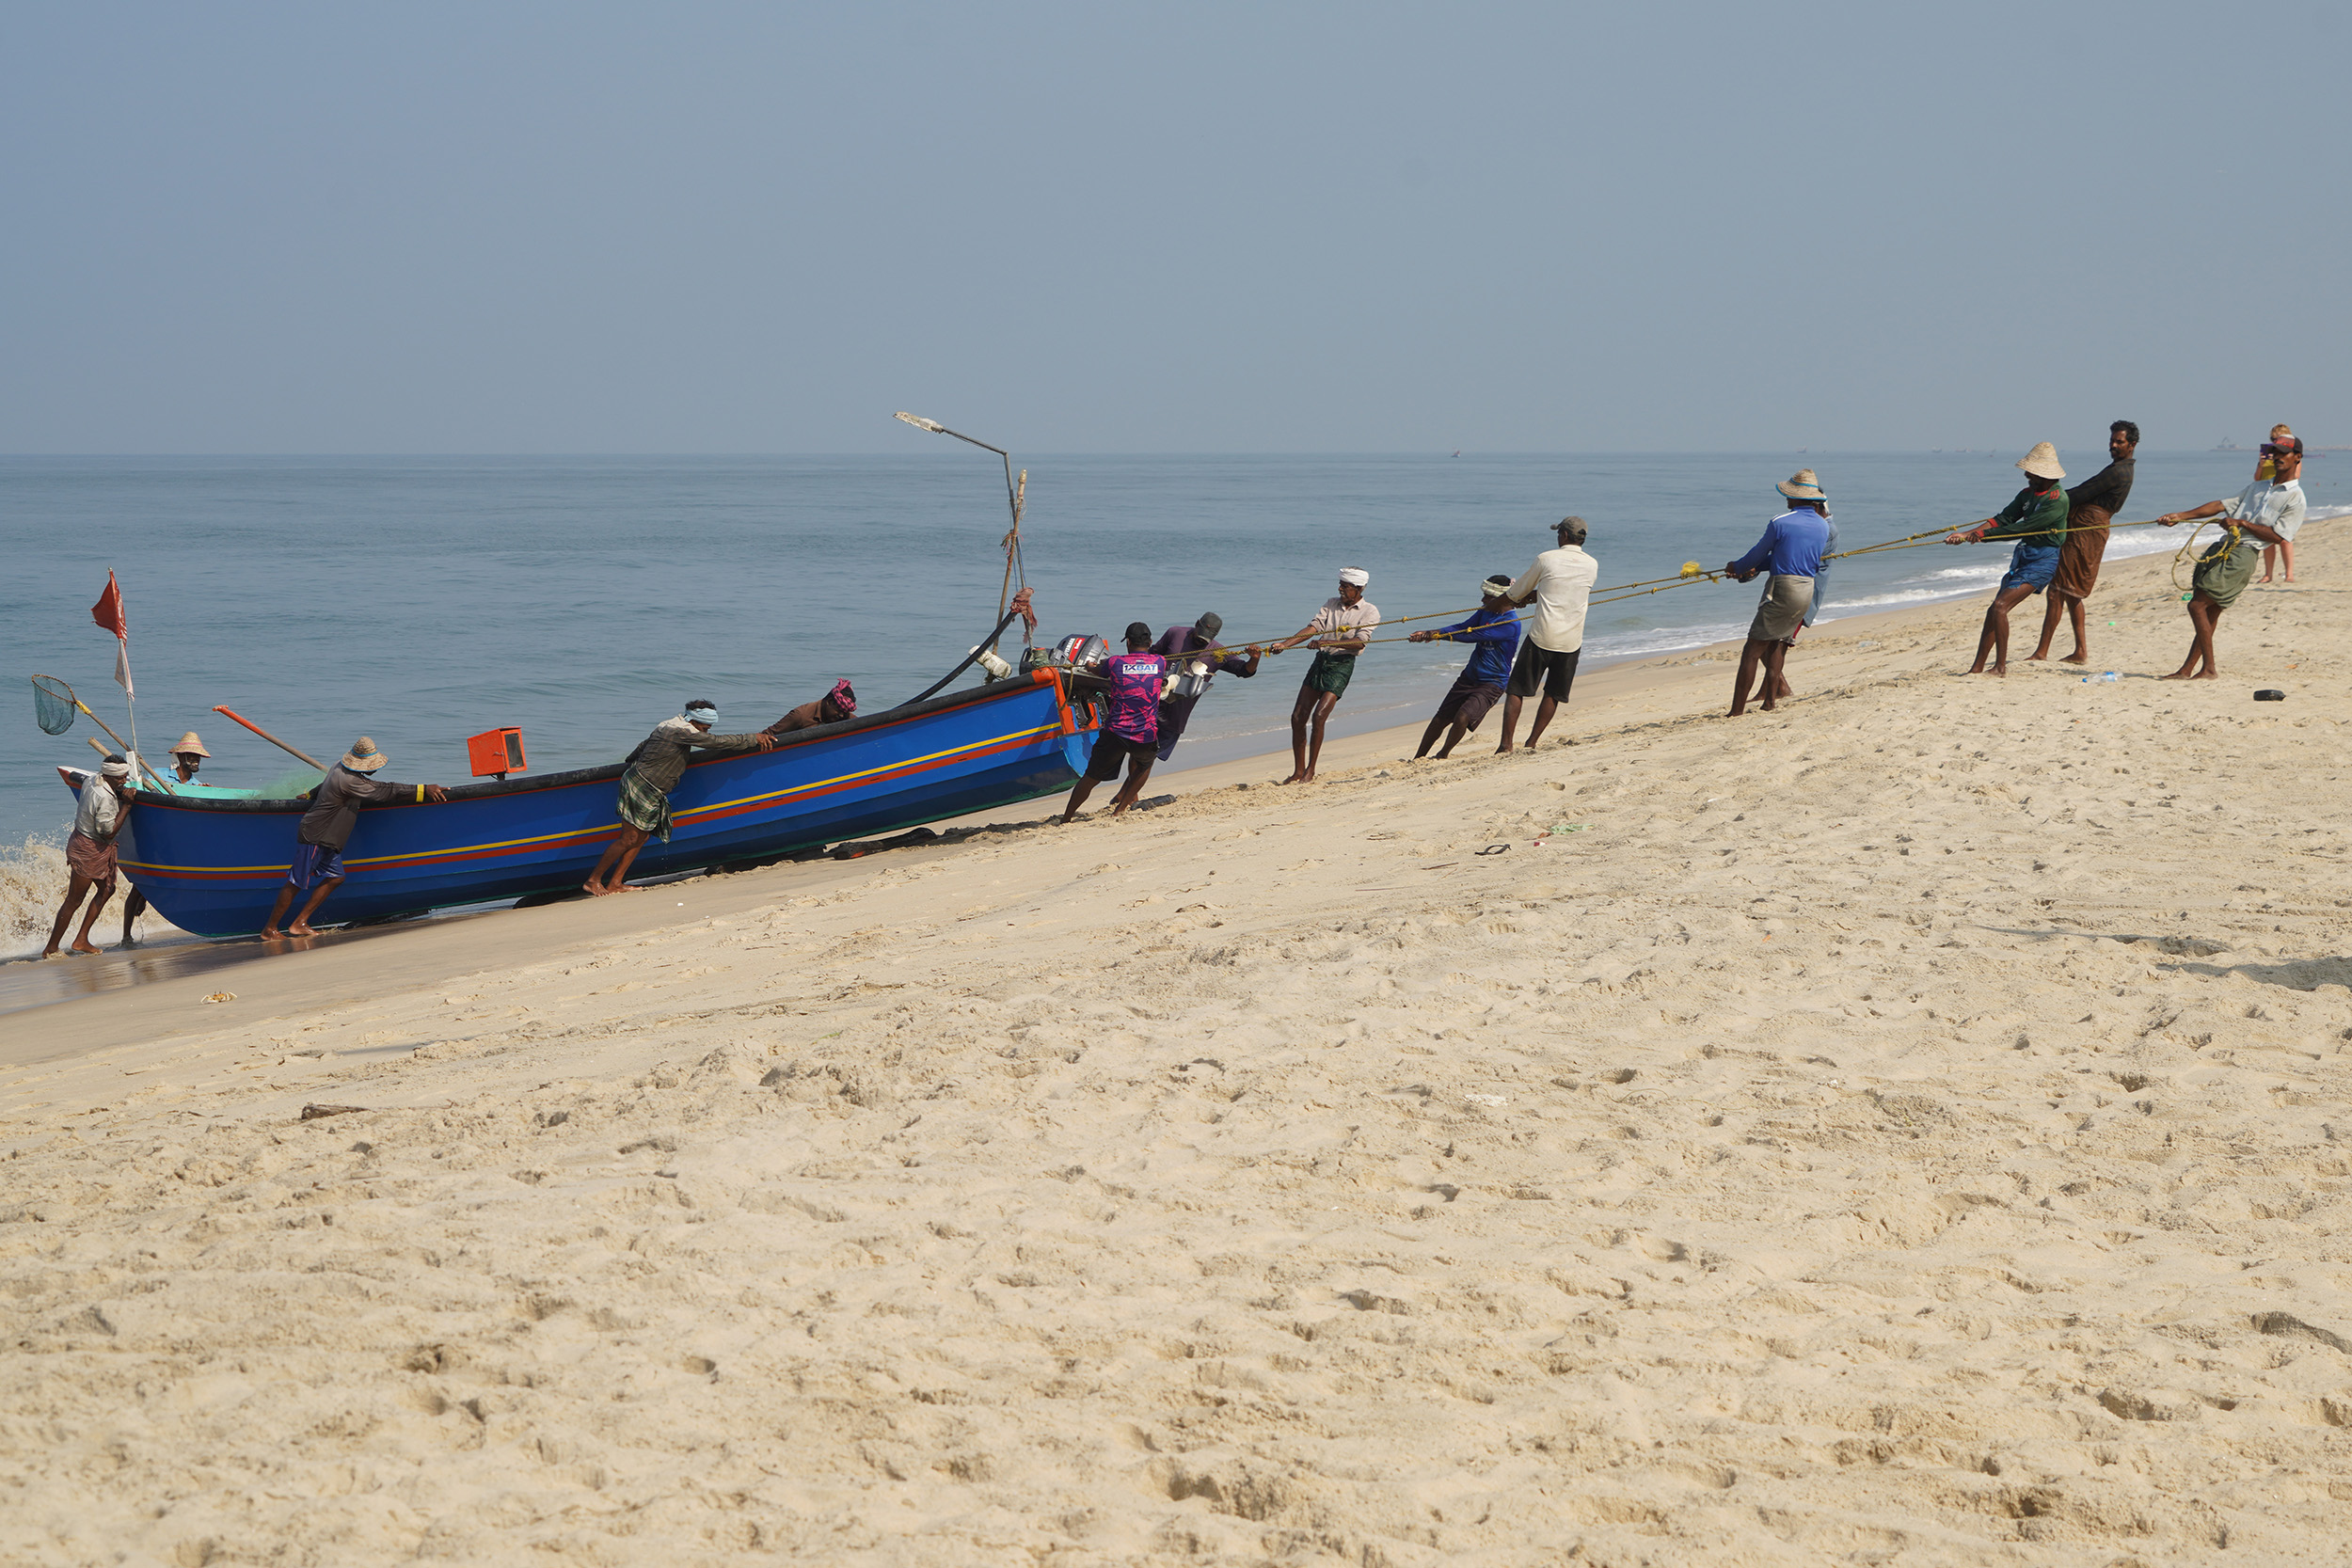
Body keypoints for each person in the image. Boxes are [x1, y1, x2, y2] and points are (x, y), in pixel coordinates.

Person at [260, 737, 453, 938]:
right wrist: (423, 789)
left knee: (336, 878)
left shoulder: (338, 766)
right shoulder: (351, 781)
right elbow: (386, 790)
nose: (374, 769)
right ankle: (270, 929)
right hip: (316, 835)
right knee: (296, 882)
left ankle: (299, 923)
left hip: (329, 838)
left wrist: (309, 795)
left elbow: (324, 785)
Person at [584, 703, 778, 895]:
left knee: (641, 837)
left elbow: (642, 746)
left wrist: (631, 761)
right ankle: (593, 881)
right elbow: (716, 742)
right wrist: (753, 738)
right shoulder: (680, 730)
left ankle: (615, 883)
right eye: (704, 728)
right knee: (630, 838)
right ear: (693, 721)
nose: (705, 732)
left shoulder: (668, 725)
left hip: (652, 788)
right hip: (642, 785)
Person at [2153, 439, 2304, 680]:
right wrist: (2180, 516)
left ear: (2297, 457)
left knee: (2196, 606)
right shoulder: (2258, 487)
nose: (2277, 457)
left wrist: (2242, 523)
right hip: (2225, 547)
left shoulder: (2295, 497)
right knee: (2209, 612)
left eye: (2284, 453)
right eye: (2275, 452)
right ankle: (2187, 670)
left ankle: (2209, 669)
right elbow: (2220, 505)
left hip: (2244, 555)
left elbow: (2279, 536)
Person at [1944, 442, 2071, 676]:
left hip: (2043, 560)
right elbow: (2002, 519)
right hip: (2023, 556)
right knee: (1993, 611)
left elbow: (2023, 529)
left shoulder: (2057, 500)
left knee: (2000, 606)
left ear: (2043, 474)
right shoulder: (2026, 495)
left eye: (2031, 472)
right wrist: (1966, 534)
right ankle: (1977, 667)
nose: (2026, 475)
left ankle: (2000, 667)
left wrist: (1981, 536)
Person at [2026, 422, 2138, 665]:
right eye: (2112, 440)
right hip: (2089, 530)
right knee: (2071, 591)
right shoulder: (2121, 469)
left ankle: (2042, 652)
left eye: (2119, 442)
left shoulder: (2118, 472)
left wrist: (2049, 499)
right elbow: (2084, 492)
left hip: (2085, 532)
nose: (2113, 445)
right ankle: (2080, 651)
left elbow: (2081, 493)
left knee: (2058, 590)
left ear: (2132, 445)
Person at [1724, 471, 1832, 716]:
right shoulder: (1822, 525)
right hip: (1806, 589)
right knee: (1777, 642)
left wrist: (1737, 567)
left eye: (1789, 495)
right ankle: (1770, 702)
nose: (1786, 499)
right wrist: (1752, 567)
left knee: (1752, 650)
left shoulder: (1780, 522)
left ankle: (1736, 711)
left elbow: (1758, 552)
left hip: (1784, 588)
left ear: (1796, 497)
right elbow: (1786, 557)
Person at [1495, 516, 1599, 752]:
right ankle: (1531, 743)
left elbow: (1516, 592)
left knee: (1516, 690)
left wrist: (1493, 607)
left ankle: (1506, 745)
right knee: (1553, 694)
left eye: (1559, 533)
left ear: (1564, 535)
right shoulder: (1592, 564)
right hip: (1571, 641)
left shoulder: (1546, 558)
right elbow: (1564, 589)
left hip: (1541, 637)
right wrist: (1536, 594)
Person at [1267, 569, 1380, 784]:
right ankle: (1298, 771)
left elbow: (1360, 642)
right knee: (1297, 717)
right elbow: (1313, 628)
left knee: (1319, 716)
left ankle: (1310, 770)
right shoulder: (1331, 603)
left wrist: (1326, 641)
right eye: (1340, 584)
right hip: (1321, 662)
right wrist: (1285, 644)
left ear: (1358, 589)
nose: (1340, 589)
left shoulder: (1370, 612)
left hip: (1341, 666)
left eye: (1345, 586)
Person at [1061, 623, 1167, 821]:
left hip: (1116, 733)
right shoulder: (1160, 662)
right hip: (1144, 734)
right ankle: (1120, 809)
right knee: (1145, 764)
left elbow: (1097, 670)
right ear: (1150, 642)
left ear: (1128, 642)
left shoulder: (1115, 662)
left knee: (1091, 777)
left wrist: (1090, 667)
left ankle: (1066, 818)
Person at [1407, 575, 1520, 758]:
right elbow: (1463, 626)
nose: (1483, 600)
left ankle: (1442, 755)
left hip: (1492, 682)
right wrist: (1432, 633)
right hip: (1469, 676)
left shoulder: (1510, 624)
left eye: (1488, 597)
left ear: (1502, 598)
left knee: (1462, 717)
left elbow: (1472, 635)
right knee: (1440, 719)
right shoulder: (1485, 612)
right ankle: (1418, 758)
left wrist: (1434, 635)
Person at [120, 730, 210, 945]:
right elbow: (138, 791)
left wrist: (206, 792)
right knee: (138, 887)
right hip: (152, 838)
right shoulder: (157, 775)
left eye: (198, 756)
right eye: (192, 756)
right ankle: (126, 935)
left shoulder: (197, 785)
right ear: (181, 756)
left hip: (176, 843)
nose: (196, 760)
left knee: (153, 885)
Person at [44, 755, 136, 957]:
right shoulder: (104, 797)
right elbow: (109, 832)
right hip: (87, 849)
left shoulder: (93, 779)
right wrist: (127, 806)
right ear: (109, 776)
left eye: (125, 776)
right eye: (120, 778)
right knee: (74, 900)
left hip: (90, 843)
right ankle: (51, 948)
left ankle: (81, 939)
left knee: (107, 889)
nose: (124, 780)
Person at [1150, 613, 1262, 763]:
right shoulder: (1175, 633)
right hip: (1149, 708)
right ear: (1197, 623)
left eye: (1206, 639)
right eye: (1200, 636)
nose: (1201, 641)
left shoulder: (1217, 652)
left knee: (1148, 759)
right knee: (1137, 752)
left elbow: (1244, 671)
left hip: (1174, 719)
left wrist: (1254, 659)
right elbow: (1150, 657)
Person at [2255, 425, 2302, 584]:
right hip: (2267, 495)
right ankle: (2268, 574)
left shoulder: (2292, 456)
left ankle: (2289, 574)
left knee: (2285, 538)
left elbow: (2296, 476)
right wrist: (2262, 464)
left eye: (2279, 439)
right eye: (2273, 440)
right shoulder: (2268, 455)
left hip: (2285, 495)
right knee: (2266, 536)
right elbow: (2257, 479)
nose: (2275, 443)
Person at [763, 679, 857, 736]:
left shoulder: (845, 717)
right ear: (829, 702)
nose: (841, 715)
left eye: (845, 712)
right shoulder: (800, 715)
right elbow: (768, 735)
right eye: (839, 710)